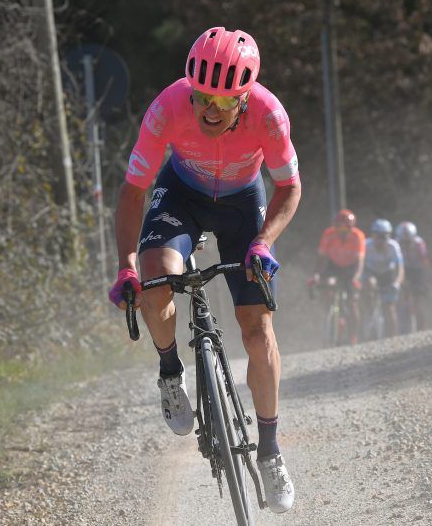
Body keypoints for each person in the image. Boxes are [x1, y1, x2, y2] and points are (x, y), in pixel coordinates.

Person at [107, 27, 297, 513]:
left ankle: (271, 450)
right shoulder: (167, 107)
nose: (209, 108)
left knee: (257, 333)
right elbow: (133, 191)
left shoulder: (270, 114)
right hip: (182, 195)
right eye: (201, 96)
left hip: (242, 203)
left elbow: (289, 188)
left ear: (245, 98)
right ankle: (171, 372)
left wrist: (262, 242)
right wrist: (126, 265)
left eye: (223, 99)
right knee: (155, 284)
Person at [313, 209, 365, 343]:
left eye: (345, 229)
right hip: (333, 266)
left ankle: (353, 335)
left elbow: (360, 262)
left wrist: (356, 278)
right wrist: (317, 275)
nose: (342, 232)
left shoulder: (358, 236)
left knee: (353, 304)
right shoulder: (329, 234)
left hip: (351, 268)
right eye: (339, 229)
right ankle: (330, 313)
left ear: (351, 228)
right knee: (329, 284)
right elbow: (322, 257)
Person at [362, 219, 404, 338]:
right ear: (372, 236)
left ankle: (394, 339)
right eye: (377, 236)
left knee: (390, 308)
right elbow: (359, 265)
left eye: (384, 237)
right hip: (371, 273)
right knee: (370, 283)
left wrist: (397, 283)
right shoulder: (366, 245)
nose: (380, 240)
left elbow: (400, 269)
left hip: (387, 275)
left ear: (389, 237)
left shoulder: (393, 246)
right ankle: (369, 310)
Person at [395, 220, 430, 333]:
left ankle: (422, 329)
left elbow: (425, 263)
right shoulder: (396, 243)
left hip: (417, 270)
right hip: (402, 269)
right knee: (400, 296)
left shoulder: (419, 244)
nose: (405, 245)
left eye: (408, 242)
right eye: (403, 242)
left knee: (418, 300)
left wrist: (425, 281)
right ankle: (400, 326)